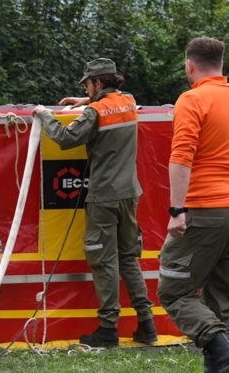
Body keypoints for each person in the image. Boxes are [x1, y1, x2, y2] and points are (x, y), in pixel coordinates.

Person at [156, 37, 229, 373]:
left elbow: (182, 155)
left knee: (174, 290)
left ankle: (228, 359)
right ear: (221, 63)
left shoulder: (193, 99)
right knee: (220, 297)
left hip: (206, 210)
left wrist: (177, 210)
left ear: (190, 65)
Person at [32, 58, 157, 348]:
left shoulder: (95, 112)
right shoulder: (128, 101)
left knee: (103, 261)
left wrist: (44, 114)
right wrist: (87, 100)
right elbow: (110, 103)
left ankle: (108, 328)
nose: (85, 90)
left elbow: (65, 138)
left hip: (104, 196)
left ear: (98, 83)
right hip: (129, 193)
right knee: (128, 259)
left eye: (87, 85)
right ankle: (146, 323)